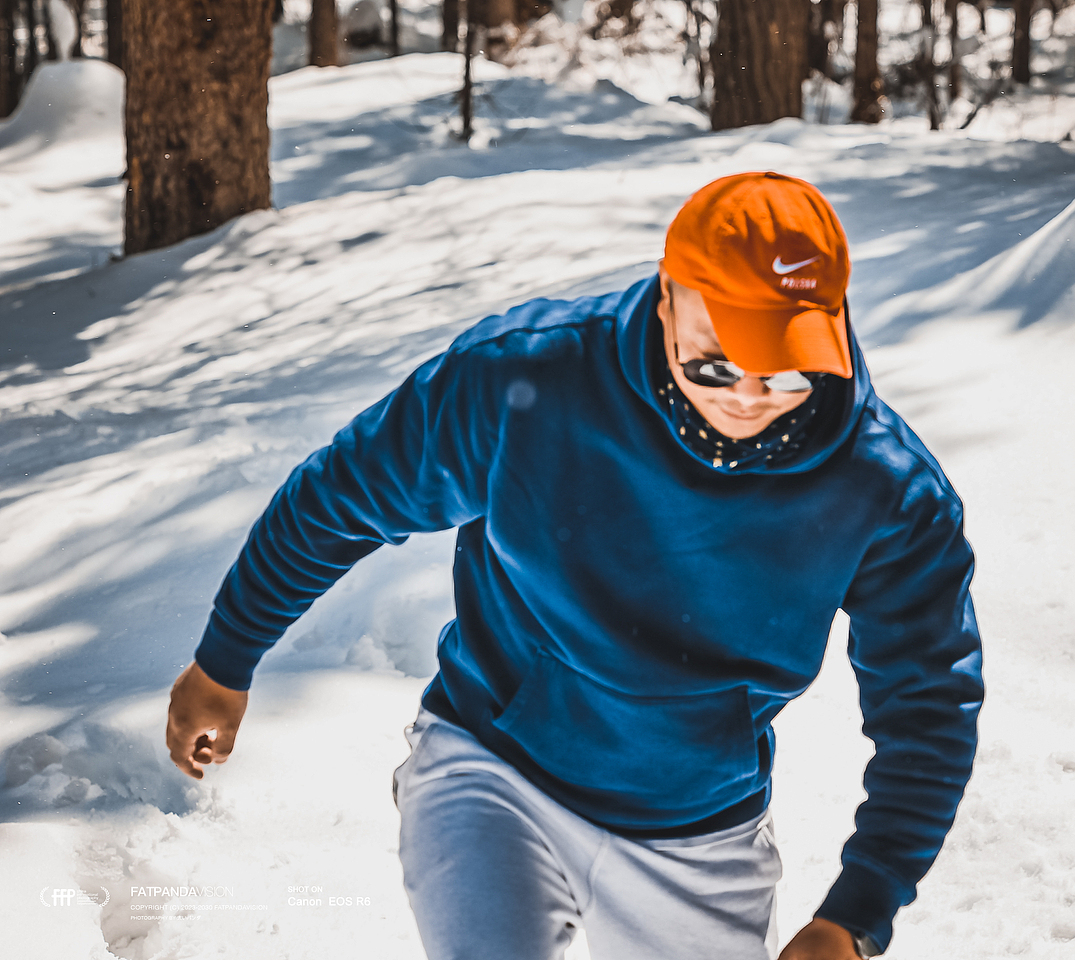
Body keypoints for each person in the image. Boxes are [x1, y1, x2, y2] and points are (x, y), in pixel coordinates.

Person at [166, 172, 983, 960]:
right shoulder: (527, 378)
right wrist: (228, 657)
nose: (748, 398)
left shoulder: (888, 492)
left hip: (697, 830)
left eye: (787, 370)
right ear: (668, 298)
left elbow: (928, 706)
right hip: (493, 767)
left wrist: (859, 910)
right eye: (714, 363)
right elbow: (344, 495)